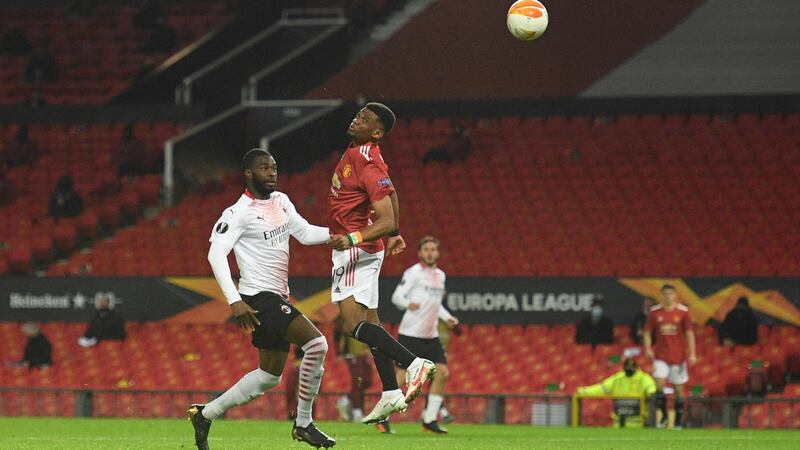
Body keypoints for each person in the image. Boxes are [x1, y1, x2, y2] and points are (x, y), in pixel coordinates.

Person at [189, 149, 335, 449]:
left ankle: (206, 414)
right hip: (258, 297)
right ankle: (304, 424)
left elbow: (306, 234)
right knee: (317, 344)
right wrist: (233, 300)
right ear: (248, 173)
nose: (272, 172)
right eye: (264, 168)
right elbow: (215, 254)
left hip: (276, 295)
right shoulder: (237, 212)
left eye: (274, 167)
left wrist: (347, 232)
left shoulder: (281, 201)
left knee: (269, 377)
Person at [327, 103, 436, 425]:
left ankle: (415, 363)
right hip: (366, 249)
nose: (356, 118)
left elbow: (384, 218)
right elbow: (393, 194)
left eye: (364, 119)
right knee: (371, 322)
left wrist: (353, 239)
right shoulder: (364, 153)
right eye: (358, 114)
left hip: (355, 250)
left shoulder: (366, 159)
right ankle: (390, 392)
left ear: (377, 132)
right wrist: (396, 233)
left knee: (352, 326)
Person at [388, 236, 458, 434]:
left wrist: (449, 318)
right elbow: (397, 296)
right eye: (426, 249)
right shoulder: (414, 273)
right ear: (419, 253)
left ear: (438, 253)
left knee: (443, 373)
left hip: (431, 335)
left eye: (433, 249)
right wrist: (407, 303)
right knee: (401, 377)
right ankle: (382, 417)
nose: (429, 253)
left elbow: (436, 305)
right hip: (411, 333)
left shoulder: (441, 276)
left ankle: (429, 420)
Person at [644, 284, 697, 430]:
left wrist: (692, 353)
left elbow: (689, 333)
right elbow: (648, 332)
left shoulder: (683, 312)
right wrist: (648, 348)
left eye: (670, 294)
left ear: (675, 295)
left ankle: (678, 421)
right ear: (661, 296)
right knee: (659, 385)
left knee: (678, 389)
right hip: (660, 356)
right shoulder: (654, 312)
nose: (668, 296)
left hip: (678, 357)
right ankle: (665, 415)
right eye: (665, 294)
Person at [576, 358, 657, 428]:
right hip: (619, 423)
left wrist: (651, 393)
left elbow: (650, 387)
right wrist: (584, 391)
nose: (629, 368)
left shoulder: (643, 378)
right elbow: (602, 388)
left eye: (631, 367)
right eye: (627, 366)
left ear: (636, 367)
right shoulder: (618, 378)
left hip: (638, 423)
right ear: (624, 367)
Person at [334, 316, 372, 423]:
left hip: (365, 353)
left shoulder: (365, 312)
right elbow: (337, 336)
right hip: (352, 353)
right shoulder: (343, 316)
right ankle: (357, 413)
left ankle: (344, 400)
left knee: (368, 382)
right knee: (357, 382)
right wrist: (339, 352)